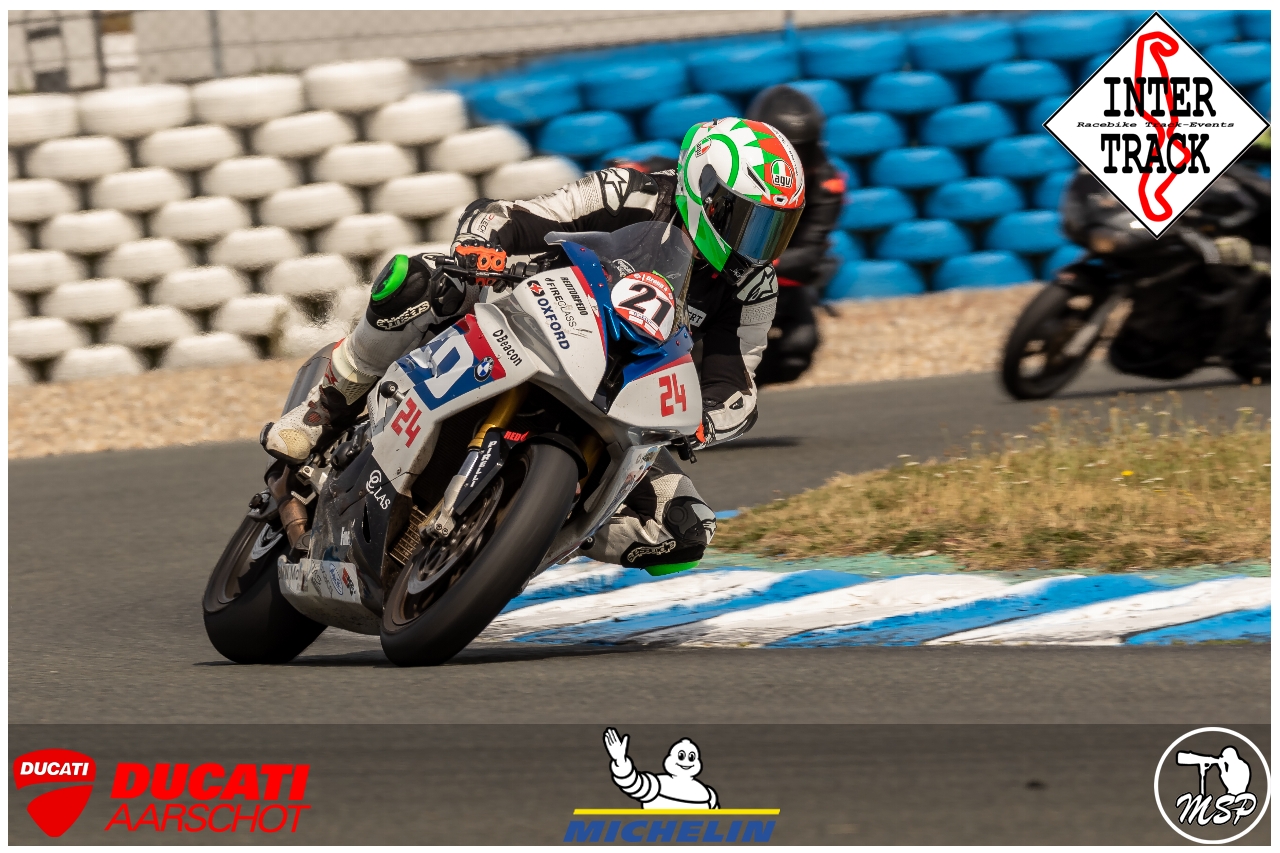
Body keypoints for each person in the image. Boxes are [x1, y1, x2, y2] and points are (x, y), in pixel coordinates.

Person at [264, 117, 806, 574]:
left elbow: (737, 381)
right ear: (705, 192)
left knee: (685, 531)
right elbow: (518, 216)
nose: (759, 244)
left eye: (775, 229)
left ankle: (518, 543)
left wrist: (703, 421)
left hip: (624, 392)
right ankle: (325, 406)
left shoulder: (753, 287)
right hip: (537, 313)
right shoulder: (630, 190)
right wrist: (480, 250)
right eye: (749, 221)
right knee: (417, 278)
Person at [744, 84, 845, 385]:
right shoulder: (728, 169)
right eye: (788, 150)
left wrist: (756, 265)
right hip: (714, 279)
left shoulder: (827, 184)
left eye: (804, 150)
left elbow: (809, 254)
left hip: (773, 279)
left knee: (798, 349)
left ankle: (735, 394)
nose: (797, 161)